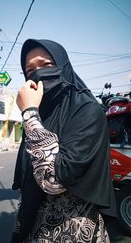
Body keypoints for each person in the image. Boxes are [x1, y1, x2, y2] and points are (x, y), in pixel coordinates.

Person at [11, 39, 117, 243]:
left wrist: (30, 113)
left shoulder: (88, 111)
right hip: (34, 229)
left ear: (63, 66)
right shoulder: (42, 115)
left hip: (75, 233)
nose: (38, 74)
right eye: (30, 70)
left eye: (46, 65)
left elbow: (54, 180)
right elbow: (28, 182)